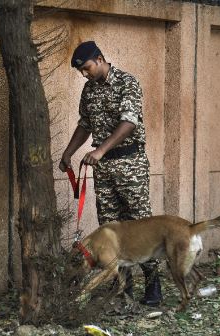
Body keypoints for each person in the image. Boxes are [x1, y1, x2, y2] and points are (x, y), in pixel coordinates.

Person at [58, 41, 162, 306]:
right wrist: (68, 152)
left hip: (130, 164)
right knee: (110, 229)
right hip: (103, 170)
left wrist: (101, 150)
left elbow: (129, 122)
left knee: (140, 226)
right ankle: (122, 288)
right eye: (81, 71)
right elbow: (85, 125)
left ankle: (153, 287)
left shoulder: (127, 82)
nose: (84, 74)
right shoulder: (88, 90)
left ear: (100, 58)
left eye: (87, 68)